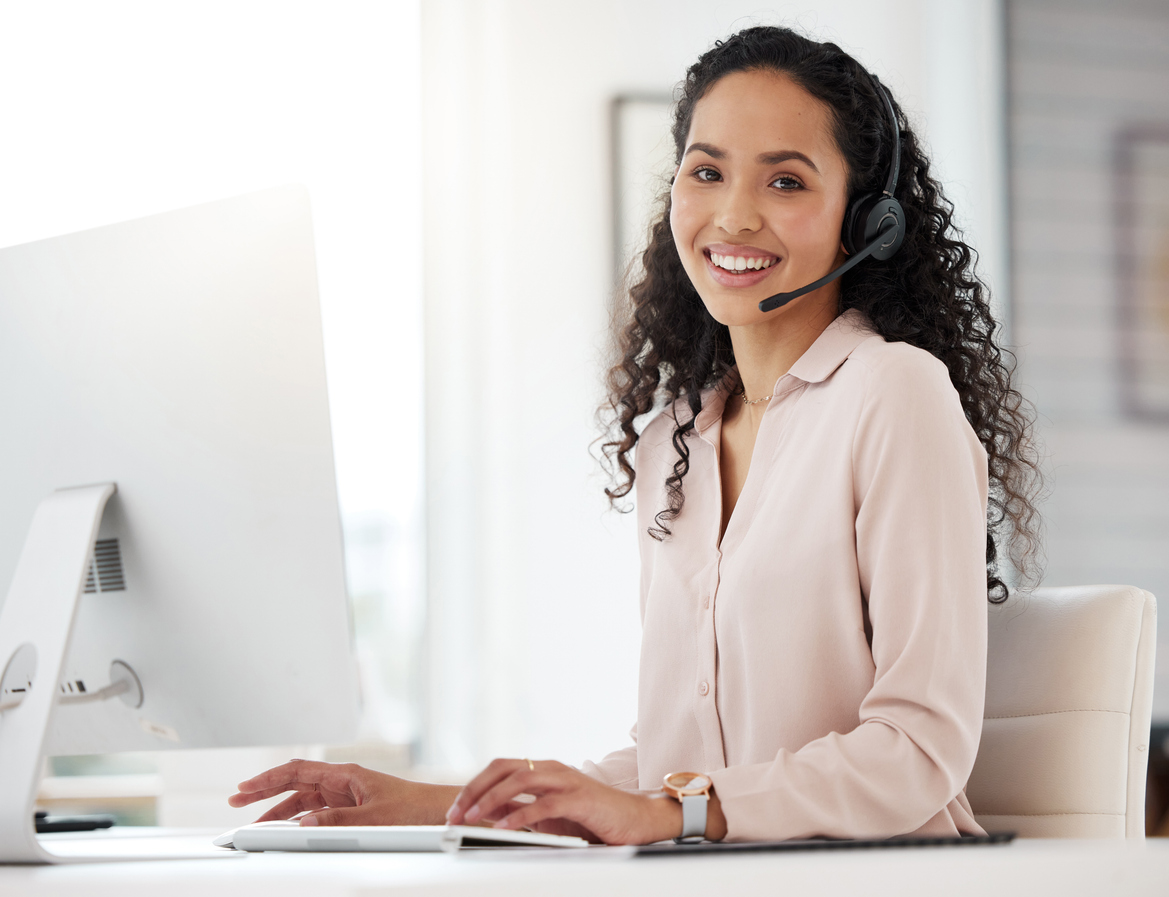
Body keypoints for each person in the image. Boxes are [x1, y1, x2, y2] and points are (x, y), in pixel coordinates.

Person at [228, 25, 1042, 844]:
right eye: (707, 171)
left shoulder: (893, 394)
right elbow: (670, 765)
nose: (733, 214)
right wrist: (436, 800)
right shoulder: (675, 442)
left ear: (865, 222)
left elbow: (917, 750)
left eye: (786, 181)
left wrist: (670, 811)